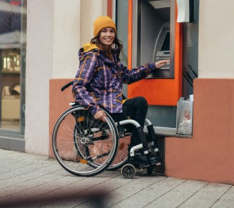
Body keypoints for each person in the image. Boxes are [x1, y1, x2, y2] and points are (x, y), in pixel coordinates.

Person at [72, 16, 168, 162]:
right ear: (98, 34)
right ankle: (136, 154)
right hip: (103, 109)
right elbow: (78, 86)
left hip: (115, 105)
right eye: (104, 31)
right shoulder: (92, 57)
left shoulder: (112, 57)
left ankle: (136, 153)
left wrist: (151, 67)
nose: (109, 35)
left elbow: (128, 76)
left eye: (111, 31)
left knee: (139, 104)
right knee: (137, 112)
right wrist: (94, 108)